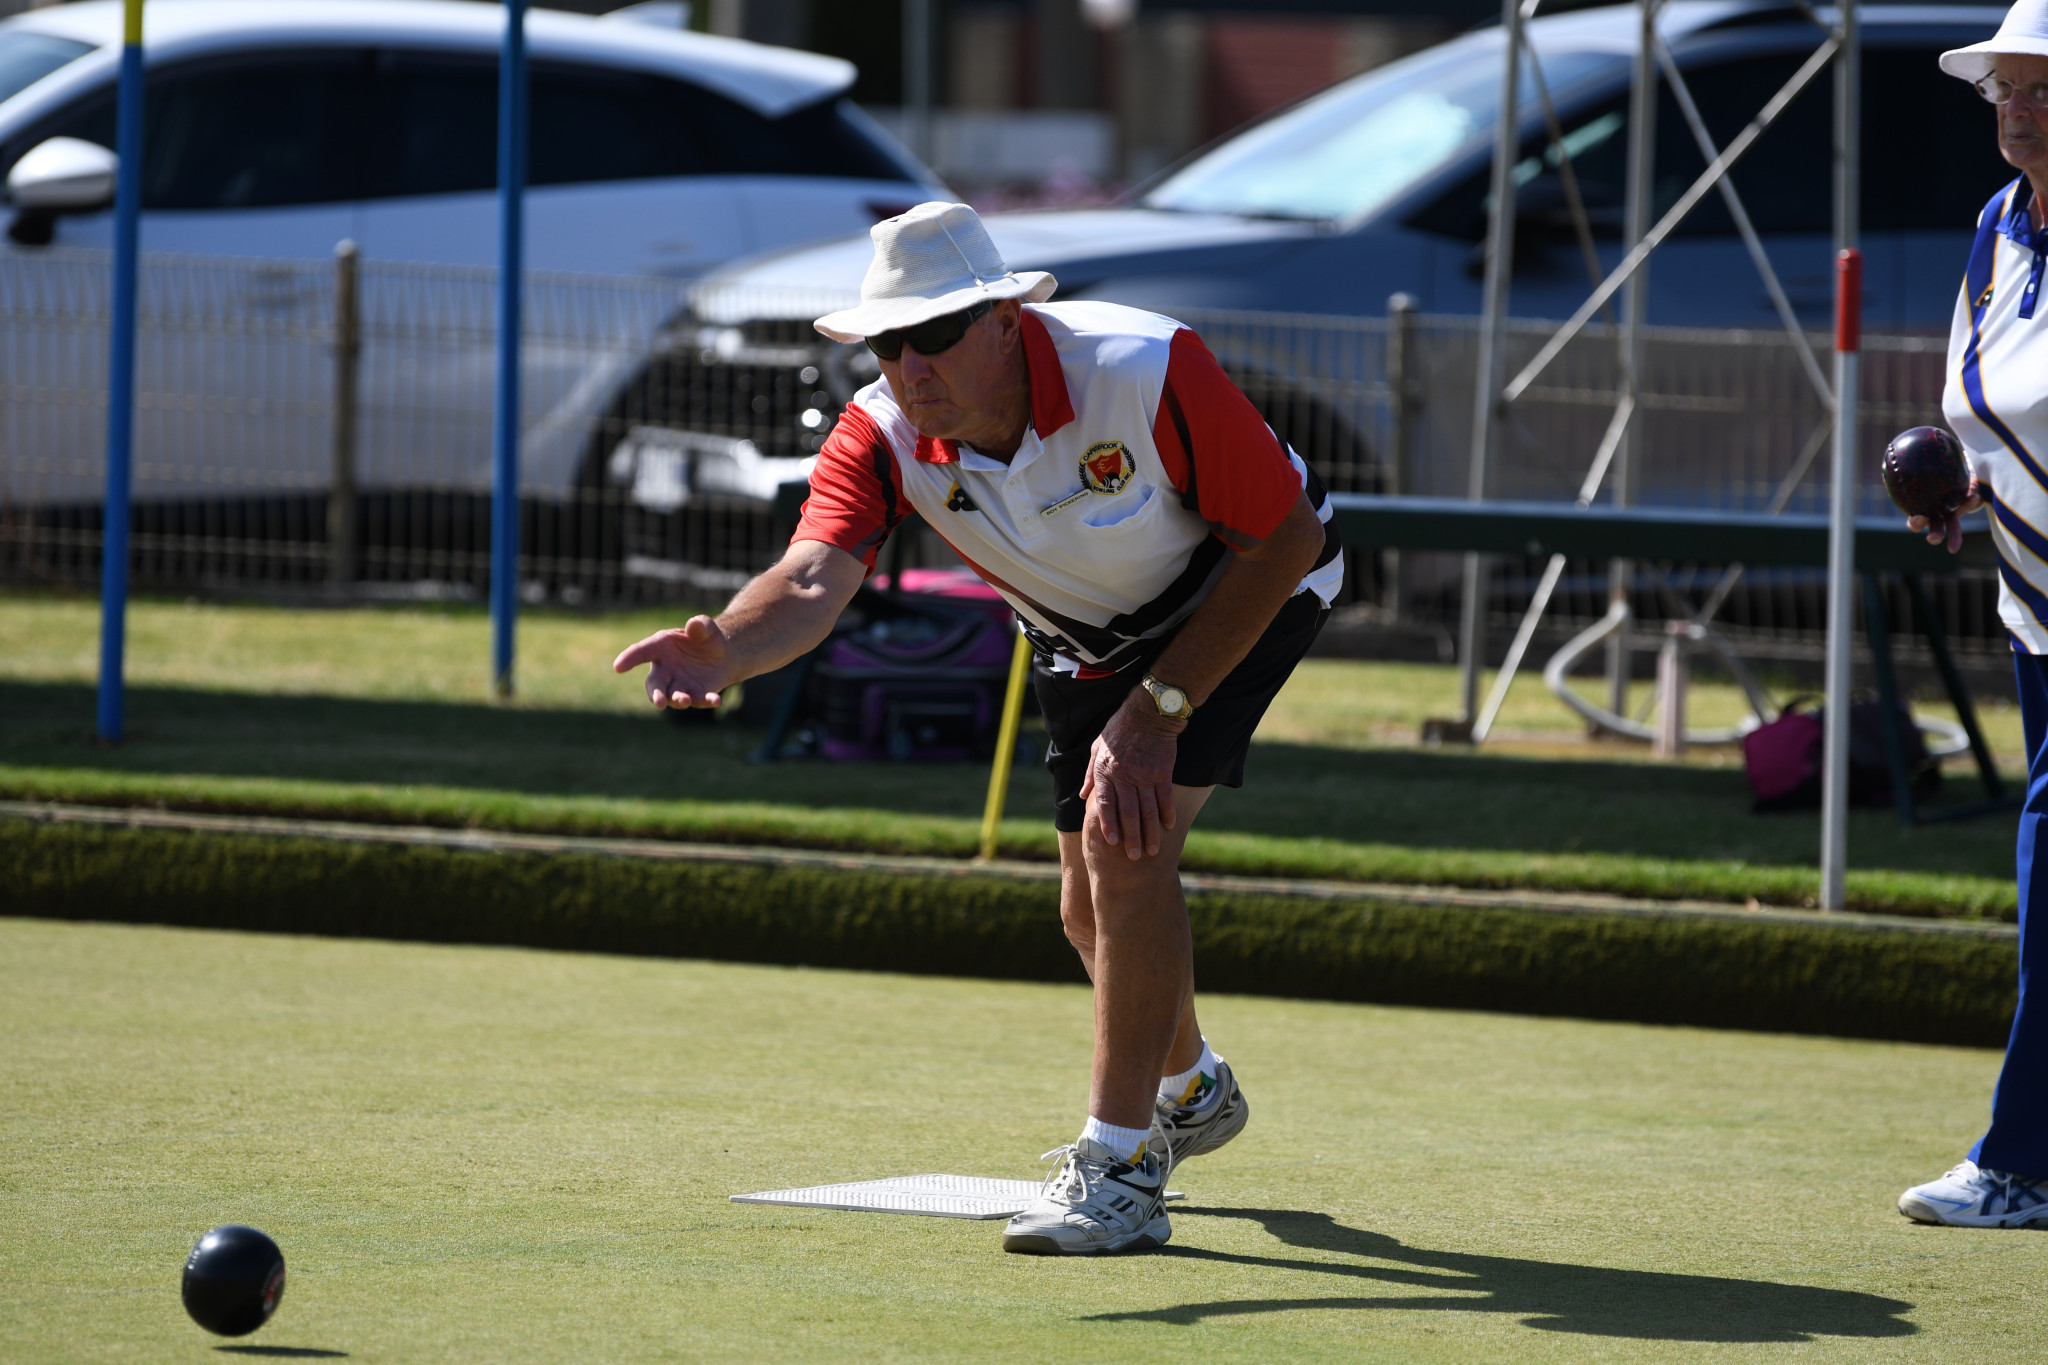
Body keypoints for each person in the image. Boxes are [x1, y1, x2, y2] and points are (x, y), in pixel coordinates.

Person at [613, 202, 1341, 1254]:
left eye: (936, 333)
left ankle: (1120, 1166)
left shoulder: (1143, 365)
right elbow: (815, 578)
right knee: (1083, 913)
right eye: (887, 342)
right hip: (1083, 634)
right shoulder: (879, 433)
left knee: (1121, 843)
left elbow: (1281, 540)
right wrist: (726, 643)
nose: (910, 365)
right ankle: (1189, 1089)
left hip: (1251, 582)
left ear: (1004, 319)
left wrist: (1156, 714)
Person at [1898, 0, 2048, 1228]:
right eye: (2006, 80)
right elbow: (1971, 408)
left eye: (2044, 82)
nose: (2017, 100)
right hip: (2032, 612)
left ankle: (2022, 1161)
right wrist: (1952, 490)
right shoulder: (1998, 230)